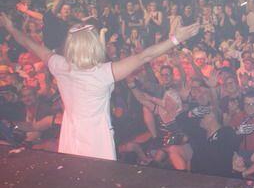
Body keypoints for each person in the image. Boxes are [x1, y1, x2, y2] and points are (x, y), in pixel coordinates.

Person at [0, 11, 199, 160]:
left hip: (71, 135)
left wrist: (11, 28)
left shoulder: (59, 65)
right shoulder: (104, 72)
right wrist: (176, 39)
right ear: (94, 45)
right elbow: (144, 56)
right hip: (96, 139)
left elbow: (29, 44)